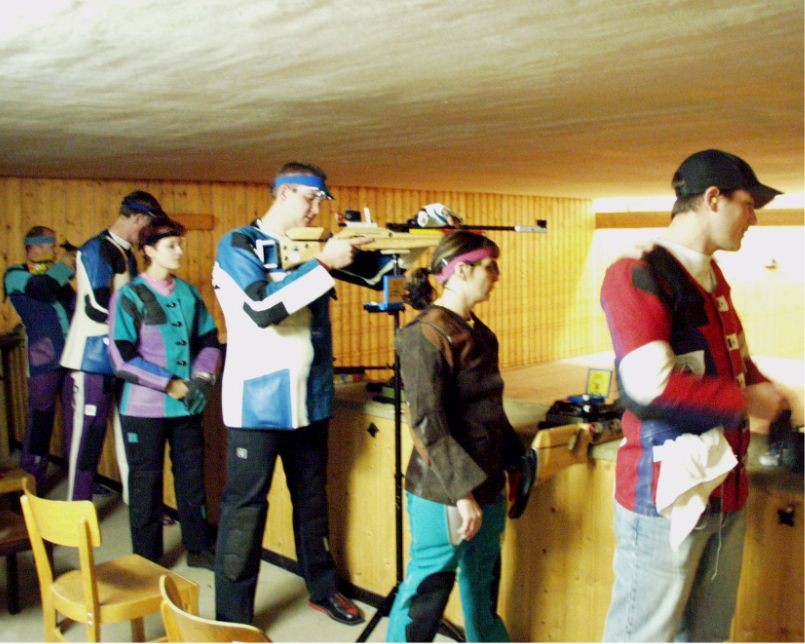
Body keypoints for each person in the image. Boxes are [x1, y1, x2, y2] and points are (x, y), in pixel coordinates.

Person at [599, 149, 789, 642]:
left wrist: (767, 389)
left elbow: (732, 357)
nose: (753, 219)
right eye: (749, 204)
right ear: (713, 198)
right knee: (643, 636)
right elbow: (650, 386)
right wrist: (747, 402)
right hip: (666, 497)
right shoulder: (637, 272)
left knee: (708, 635)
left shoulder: (709, 274)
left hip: (724, 490)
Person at [212, 161, 368, 625]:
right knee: (244, 512)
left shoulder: (312, 243)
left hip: (310, 398)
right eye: (310, 197)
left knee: (313, 503)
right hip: (257, 402)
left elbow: (372, 278)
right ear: (283, 193)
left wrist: (378, 250)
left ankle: (323, 589)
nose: (315, 208)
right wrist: (324, 263)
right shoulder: (238, 244)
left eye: (320, 200)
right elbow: (262, 307)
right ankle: (233, 618)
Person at [386, 231, 536, 643]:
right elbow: (427, 425)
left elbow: (488, 413)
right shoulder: (423, 335)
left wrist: (514, 464)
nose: (497, 275)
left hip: (486, 483)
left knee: (483, 584)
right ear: (461, 271)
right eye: (490, 266)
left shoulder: (479, 333)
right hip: (443, 491)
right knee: (428, 588)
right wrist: (463, 495)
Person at [108, 215, 220, 569]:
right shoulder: (129, 296)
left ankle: (198, 548)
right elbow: (121, 358)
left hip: (188, 404)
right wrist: (168, 383)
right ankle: (147, 558)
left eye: (180, 244)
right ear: (149, 250)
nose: (179, 251)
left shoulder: (188, 293)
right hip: (143, 409)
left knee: (192, 479)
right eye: (171, 245)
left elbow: (209, 341)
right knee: (146, 483)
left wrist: (202, 379)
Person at [60, 190, 164, 501]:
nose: (147, 235)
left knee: (130, 434)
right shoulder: (96, 249)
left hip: (122, 354)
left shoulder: (124, 251)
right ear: (138, 218)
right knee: (88, 436)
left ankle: (140, 508)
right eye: (147, 227)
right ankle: (75, 509)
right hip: (92, 356)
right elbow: (96, 305)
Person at [3, 227, 76, 491]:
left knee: (76, 419)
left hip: (71, 355)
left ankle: (80, 478)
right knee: (41, 417)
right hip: (43, 356)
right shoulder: (15, 274)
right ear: (35, 246)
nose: (55, 250)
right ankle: (33, 479)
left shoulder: (54, 275)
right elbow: (40, 288)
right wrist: (65, 267)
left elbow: (73, 304)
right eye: (51, 245)